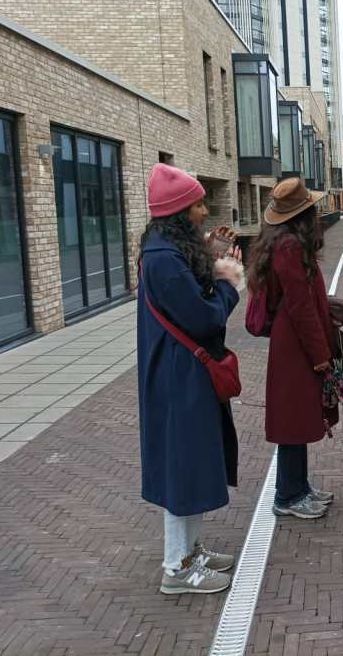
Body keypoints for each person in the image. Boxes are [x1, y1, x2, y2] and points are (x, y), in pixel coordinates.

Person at [137, 162, 244, 595]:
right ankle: (177, 569)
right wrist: (228, 283)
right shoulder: (164, 260)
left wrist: (208, 255)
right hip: (178, 378)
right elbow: (202, 318)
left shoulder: (165, 250)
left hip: (181, 373)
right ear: (179, 212)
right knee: (182, 469)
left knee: (191, 463)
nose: (204, 211)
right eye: (197, 205)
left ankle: (191, 551)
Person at [247, 177, 338, 520]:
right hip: (295, 347)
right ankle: (287, 495)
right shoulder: (289, 247)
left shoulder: (282, 242)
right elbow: (300, 306)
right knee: (293, 421)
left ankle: (298, 487)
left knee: (297, 418)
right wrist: (320, 355)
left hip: (291, 343)